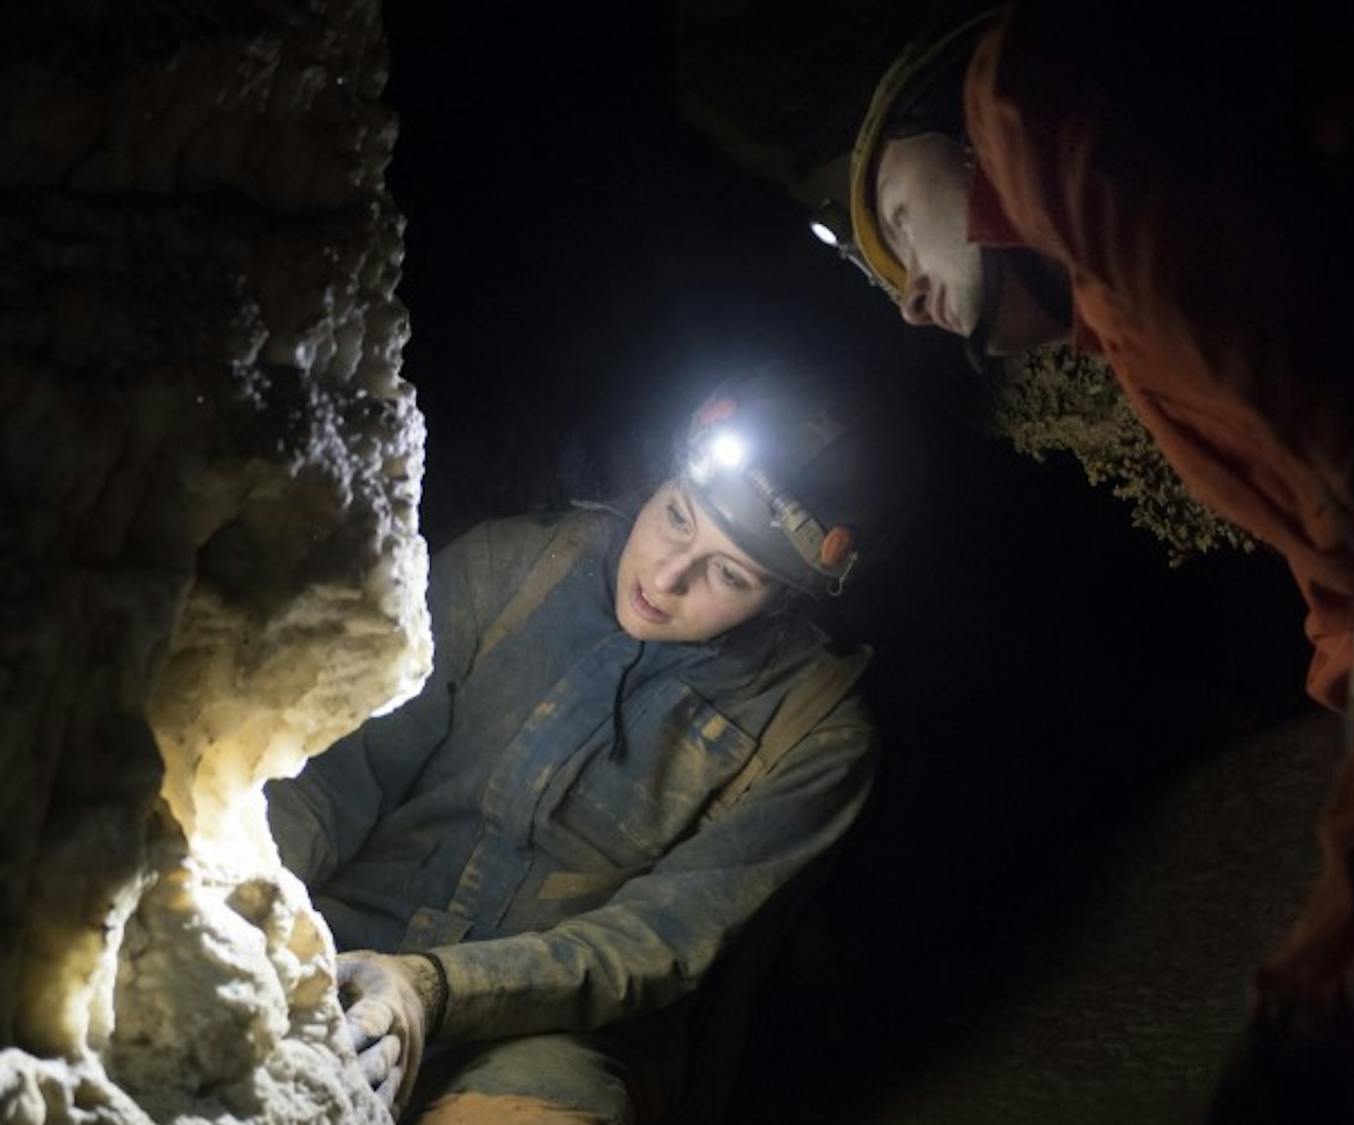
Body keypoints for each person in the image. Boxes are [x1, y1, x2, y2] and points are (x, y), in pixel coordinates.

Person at [841, 2, 1354, 1117]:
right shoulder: (1148, 362)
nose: (912, 299)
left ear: (946, 139)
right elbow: (1335, 575)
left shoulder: (1019, 93)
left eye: (901, 224)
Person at [267, 368, 918, 1123]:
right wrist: (241, 901)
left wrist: (433, 988)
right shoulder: (508, 566)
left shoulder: (812, 738)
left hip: (550, 1036)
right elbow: (335, 771)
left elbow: (656, 940)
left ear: (789, 599)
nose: (669, 576)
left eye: (729, 573)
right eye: (677, 516)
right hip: (339, 936)